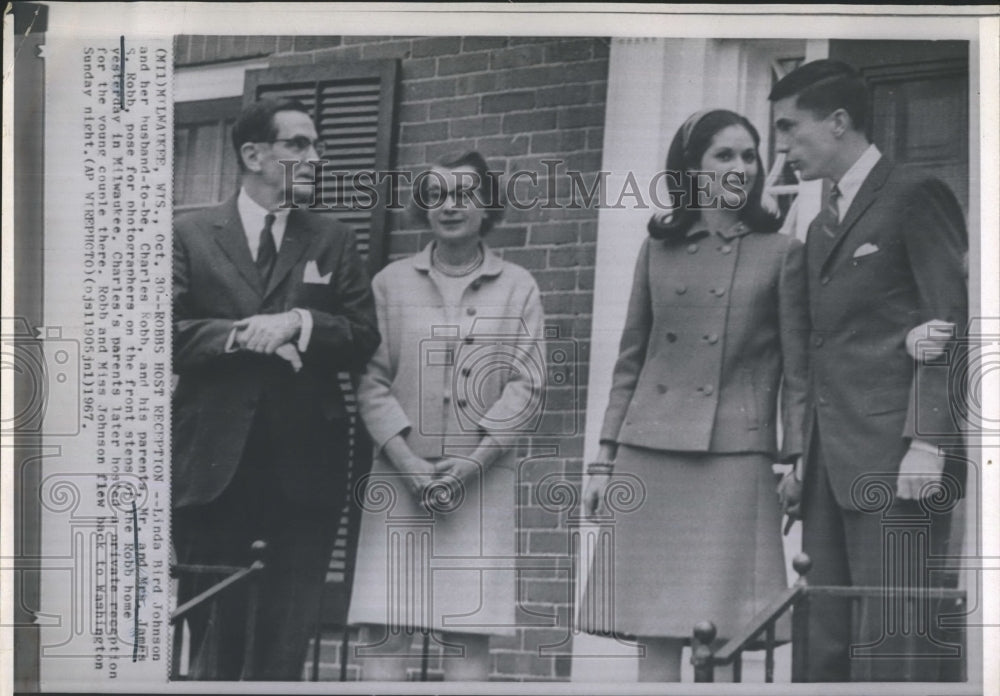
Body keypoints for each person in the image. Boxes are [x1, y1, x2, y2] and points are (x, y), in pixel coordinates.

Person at [581, 109, 809, 682]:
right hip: (650, 452)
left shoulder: (782, 252)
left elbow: (798, 372)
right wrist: (603, 464)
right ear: (691, 167)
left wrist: (797, 459)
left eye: (749, 156)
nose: (740, 167)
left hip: (735, 456)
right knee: (654, 624)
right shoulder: (656, 249)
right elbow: (631, 359)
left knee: (728, 633)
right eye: (723, 155)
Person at [769, 59, 968, 681]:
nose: (781, 146)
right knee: (824, 640)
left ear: (837, 122)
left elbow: (950, 324)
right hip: (830, 463)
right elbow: (820, 348)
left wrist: (928, 443)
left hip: (896, 461)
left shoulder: (913, 194)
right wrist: (801, 456)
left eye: (788, 128)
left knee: (893, 641)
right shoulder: (820, 222)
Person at [171, 98, 380, 680]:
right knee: (211, 632)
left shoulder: (333, 240)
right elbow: (156, 333)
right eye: (298, 145)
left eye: (316, 145)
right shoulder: (188, 235)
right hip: (211, 467)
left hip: (303, 469)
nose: (315, 157)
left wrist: (298, 324)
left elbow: (364, 334)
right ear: (253, 155)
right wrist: (240, 334)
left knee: (285, 642)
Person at [347, 151, 546, 681]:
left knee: (465, 632)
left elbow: (527, 384)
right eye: (436, 196)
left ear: (488, 206)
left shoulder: (518, 286)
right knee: (385, 627)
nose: (449, 206)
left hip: (480, 482)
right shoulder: (390, 283)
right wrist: (408, 463)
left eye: (463, 194)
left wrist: (472, 462)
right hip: (398, 477)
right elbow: (370, 380)